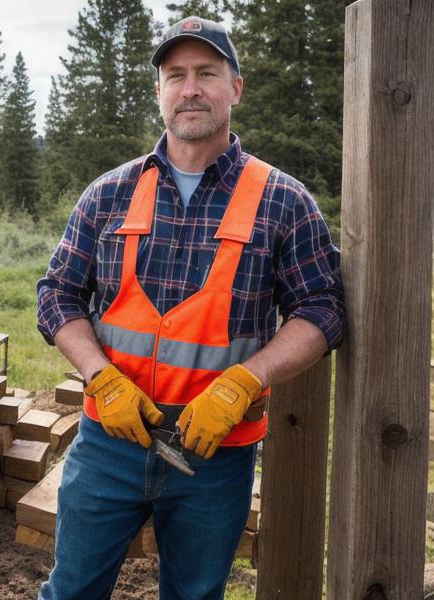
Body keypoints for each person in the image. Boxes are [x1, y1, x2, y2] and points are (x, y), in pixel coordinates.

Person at [35, 17, 344, 599]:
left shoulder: (284, 201)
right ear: (159, 91)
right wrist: (102, 378)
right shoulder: (108, 194)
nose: (190, 88)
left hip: (215, 457)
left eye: (207, 72)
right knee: (70, 591)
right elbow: (56, 295)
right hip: (109, 446)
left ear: (236, 87)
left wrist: (242, 383)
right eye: (175, 75)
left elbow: (322, 311)